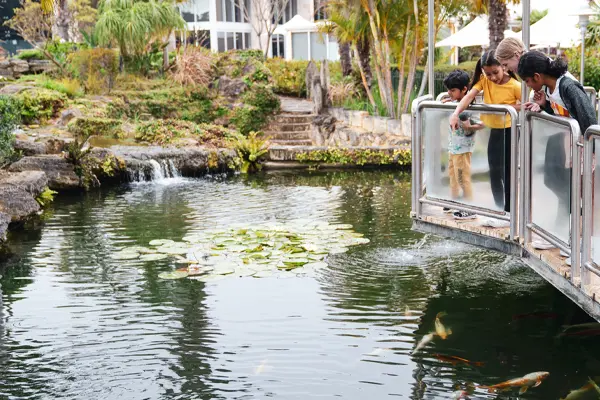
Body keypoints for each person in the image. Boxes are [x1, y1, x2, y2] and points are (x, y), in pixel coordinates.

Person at [519, 51, 598, 259]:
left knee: (584, 196)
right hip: (572, 147)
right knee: (567, 191)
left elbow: (588, 118)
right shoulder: (551, 87)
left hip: (584, 148)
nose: (528, 85)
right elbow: (565, 115)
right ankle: (564, 237)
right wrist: (545, 105)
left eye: (527, 81)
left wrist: (592, 152)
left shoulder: (567, 86)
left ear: (537, 76)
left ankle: (585, 246)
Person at [449, 50, 522, 214]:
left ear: (504, 67)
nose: (493, 77)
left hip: (509, 131)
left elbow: (527, 105)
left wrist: (509, 108)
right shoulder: (484, 81)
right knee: (494, 172)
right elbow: (469, 97)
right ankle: (499, 209)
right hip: (493, 131)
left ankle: (510, 211)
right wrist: (455, 113)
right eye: (488, 74)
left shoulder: (515, 86)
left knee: (507, 173)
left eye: (495, 72)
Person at [442, 70, 485, 220]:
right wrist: (452, 101)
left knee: (462, 176)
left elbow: (481, 124)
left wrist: (468, 125)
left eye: (453, 90)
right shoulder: (457, 104)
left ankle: (469, 207)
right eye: (448, 90)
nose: (449, 93)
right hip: (453, 146)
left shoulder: (470, 106)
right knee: (453, 174)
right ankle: (455, 200)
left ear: (464, 90)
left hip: (463, 148)